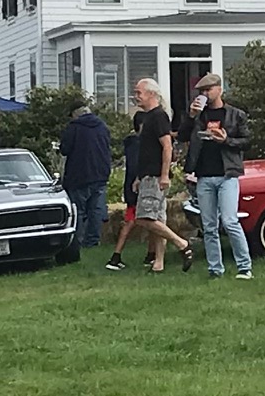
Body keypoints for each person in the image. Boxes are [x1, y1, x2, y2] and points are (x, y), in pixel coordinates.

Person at [177, 73, 253, 280]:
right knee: (209, 226)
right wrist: (191, 116)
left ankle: (245, 267)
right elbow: (181, 136)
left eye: (208, 90)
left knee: (229, 221)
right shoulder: (199, 115)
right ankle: (215, 269)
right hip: (203, 175)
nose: (204, 94)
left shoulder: (235, 115)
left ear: (220, 89)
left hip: (227, 174)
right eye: (201, 91)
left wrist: (226, 140)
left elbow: (246, 141)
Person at [131, 78, 194, 273]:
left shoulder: (159, 116)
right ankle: (158, 263)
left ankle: (181, 243)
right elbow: (147, 151)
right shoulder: (148, 117)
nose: (136, 96)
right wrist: (138, 177)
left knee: (144, 218)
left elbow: (167, 146)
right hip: (147, 175)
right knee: (158, 219)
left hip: (155, 176)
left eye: (139, 92)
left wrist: (164, 175)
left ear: (151, 94)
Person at [104, 121, 157, 270]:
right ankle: (149, 254)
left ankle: (147, 254)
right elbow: (136, 165)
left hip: (130, 188)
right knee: (149, 219)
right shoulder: (139, 144)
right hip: (138, 188)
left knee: (133, 220)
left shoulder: (130, 144)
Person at [60, 103, 113, 249]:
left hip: (79, 175)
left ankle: (76, 242)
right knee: (96, 210)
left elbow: (64, 149)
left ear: (75, 115)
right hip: (100, 174)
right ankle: (93, 241)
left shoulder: (74, 127)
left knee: (78, 210)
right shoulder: (102, 126)